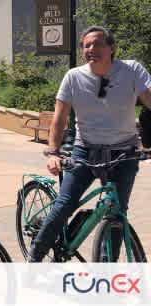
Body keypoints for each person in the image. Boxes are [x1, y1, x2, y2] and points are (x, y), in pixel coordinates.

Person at [28, 26, 151, 262]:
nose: (91, 49)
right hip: (85, 151)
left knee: (116, 215)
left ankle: (105, 275)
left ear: (112, 47)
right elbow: (60, 118)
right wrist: (53, 152)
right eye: (86, 45)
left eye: (98, 44)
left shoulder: (132, 70)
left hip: (123, 155)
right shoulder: (73, 76)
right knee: (64, 204)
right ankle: (34, 258)